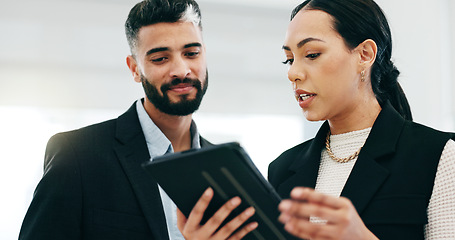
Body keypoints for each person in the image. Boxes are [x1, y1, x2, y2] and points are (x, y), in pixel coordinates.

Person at [18, 0, 255, 239]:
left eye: (191, 53)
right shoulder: (77, 154)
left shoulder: (228, 170)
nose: (181, 70)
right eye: (160, 58)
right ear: (134, 69)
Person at [268, 0, 455, 239]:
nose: (293, 73)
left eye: (312, 54)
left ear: (365, 55)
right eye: (289, 59)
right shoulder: (281, 169)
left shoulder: (439, 156)